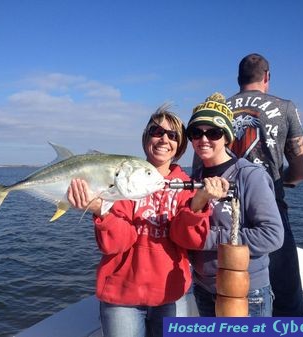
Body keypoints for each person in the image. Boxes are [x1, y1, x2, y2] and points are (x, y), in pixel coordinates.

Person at [67, 105, 226, 337]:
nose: (164, 139)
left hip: (170, 295)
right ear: (146, 138)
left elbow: (188, 240)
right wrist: (99, 209)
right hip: (122, 298)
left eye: (172, 135)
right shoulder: (123, 180)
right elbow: (115, 243)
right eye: (156, 131)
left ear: (179, 146)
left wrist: (198, 203)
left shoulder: (185, 187)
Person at [226, 53, 303, 316]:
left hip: (224, 214)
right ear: (267, 77)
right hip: (269, 211)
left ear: (238, 79)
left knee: (228, 295)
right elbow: (300, 170)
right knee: (286, 296)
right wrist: (283, 181)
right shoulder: (285, 108)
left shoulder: (218, 109)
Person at [188, 92, 284, 317]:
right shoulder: (195, 178)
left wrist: (204, 239)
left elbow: (272, 235)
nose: (203, 139)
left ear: (227, 136)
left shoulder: (250, 176)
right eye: (196, 132)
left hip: (246, 292)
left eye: (213, 132)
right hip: (204, 289)